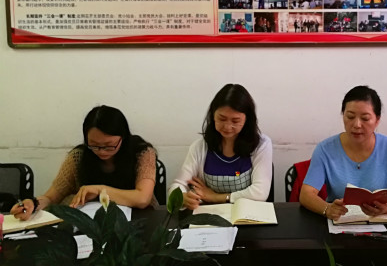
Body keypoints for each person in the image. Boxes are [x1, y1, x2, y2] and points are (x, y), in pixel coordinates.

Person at [10, 106, 157, 220]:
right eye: (94, 145)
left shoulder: (142, 153)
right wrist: (33, 204)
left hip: (139, 223)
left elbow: (142, 198)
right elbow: (50, 198)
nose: (101, 151)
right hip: (89, 227)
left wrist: (100, 190)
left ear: (123, 137)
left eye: (109, 145)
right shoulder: (78, 157)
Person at [300, 86, 387, 220]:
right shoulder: (325, 149)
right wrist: (327, 209)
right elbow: (306, 194)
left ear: (377, 120)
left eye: (365, 118)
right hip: (339, 223)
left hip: (379, 223)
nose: (357, 124)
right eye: (350, 117)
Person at [169, 84, 272, 209]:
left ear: (247, 120)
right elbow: (177, 186)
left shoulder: (261, 145)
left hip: (247, 214)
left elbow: (260, 193)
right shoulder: (200, 147)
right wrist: (183, 197)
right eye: (222, 119)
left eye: (235, 121)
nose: (227, 127)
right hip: (209, 215)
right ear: (213, 115)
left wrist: (215, 197)